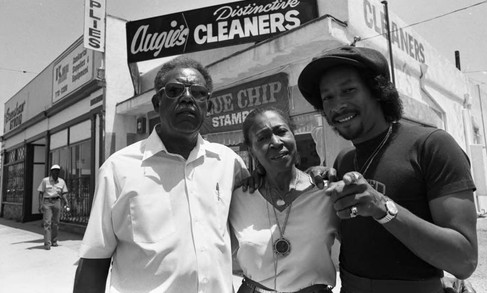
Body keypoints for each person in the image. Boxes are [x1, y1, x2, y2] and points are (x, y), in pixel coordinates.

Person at [297, 45, 478, 293]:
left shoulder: (432, 145)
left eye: (348, 90)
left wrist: (383, 207)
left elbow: (464, 261)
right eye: (327, 97)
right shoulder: (344, 161)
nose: (337, 105)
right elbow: (361, 237)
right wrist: (318, 192)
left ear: (377, 91)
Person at [73, 57, 248, 293]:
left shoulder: (228, 163)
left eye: (198, 93)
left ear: (209, 106)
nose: (187, 98)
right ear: (157, 102)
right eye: (175, 90)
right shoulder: (118, 169)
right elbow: (94, 258)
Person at [230, 107, 337, 293]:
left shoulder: (325, 193)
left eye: (281, 132)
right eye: (263, 138)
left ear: (293, 136)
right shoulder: (239, 198)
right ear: (251, 150)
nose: (275, 142)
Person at [38, 164, 69, 250]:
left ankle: (54, 241)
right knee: (47, 223)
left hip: (57, 202)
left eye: (58, 171)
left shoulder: (62, 182)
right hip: (47, 202)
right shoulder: (45, 181)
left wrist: (66, 201)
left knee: (56, 222)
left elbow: (64, 193)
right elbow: (40, 193)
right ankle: (47, 243)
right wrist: (41, 204)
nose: (56, 172)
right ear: (51, 172)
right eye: (54, 171)